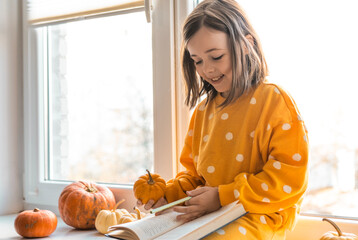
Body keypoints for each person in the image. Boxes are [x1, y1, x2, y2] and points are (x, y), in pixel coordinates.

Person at [137, 0, 309, 239]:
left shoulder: (274, 100)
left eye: (216, 56)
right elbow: (195, 177)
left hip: (258, 214)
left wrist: (222, 196)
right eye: (197, 61)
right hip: (210, 213)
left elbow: (289, 179)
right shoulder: (203, 111)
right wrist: (168, 195)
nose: (207, 70)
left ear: (246, 45)